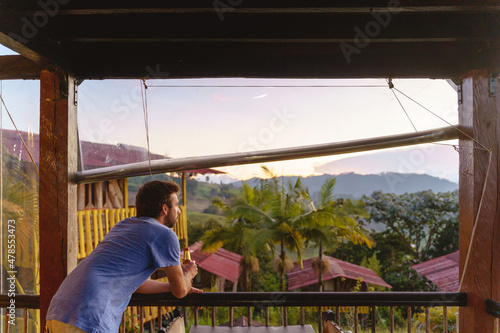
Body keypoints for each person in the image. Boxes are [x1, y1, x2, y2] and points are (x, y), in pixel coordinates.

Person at [46, 180, 202, 333]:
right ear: (165, 209)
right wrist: (188, 274)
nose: (179, 210)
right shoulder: (165, 234)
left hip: (59, 312)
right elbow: (180, 291)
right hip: (89, 316)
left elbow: (135, 284)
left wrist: (173, 286)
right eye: (176, 205)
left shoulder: (123, 225)